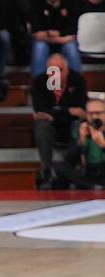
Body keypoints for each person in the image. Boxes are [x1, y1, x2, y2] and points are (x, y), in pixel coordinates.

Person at [30, 52, 88, 189]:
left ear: (67, 70)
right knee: (42, 125)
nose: (54, 75)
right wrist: (68, 111)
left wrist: (55, 112)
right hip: (51, 127)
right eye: (51, 71)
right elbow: (40, 111)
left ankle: (73, 172)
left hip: (71, 126)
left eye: (59, 70)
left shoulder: (77, 80)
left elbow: (81, 111)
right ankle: (47, 171)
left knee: (78, 125)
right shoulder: (39, 82)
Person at [30, 0, 82, 76]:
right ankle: (37, 88)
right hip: (46, 42)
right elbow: (36, 33)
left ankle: (76, 86)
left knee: (71, 47)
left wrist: (55, 33)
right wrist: (61, 38)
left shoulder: (70, 3)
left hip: (63, 43)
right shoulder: (37, 2)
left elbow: (72, 30)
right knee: (39, 47)